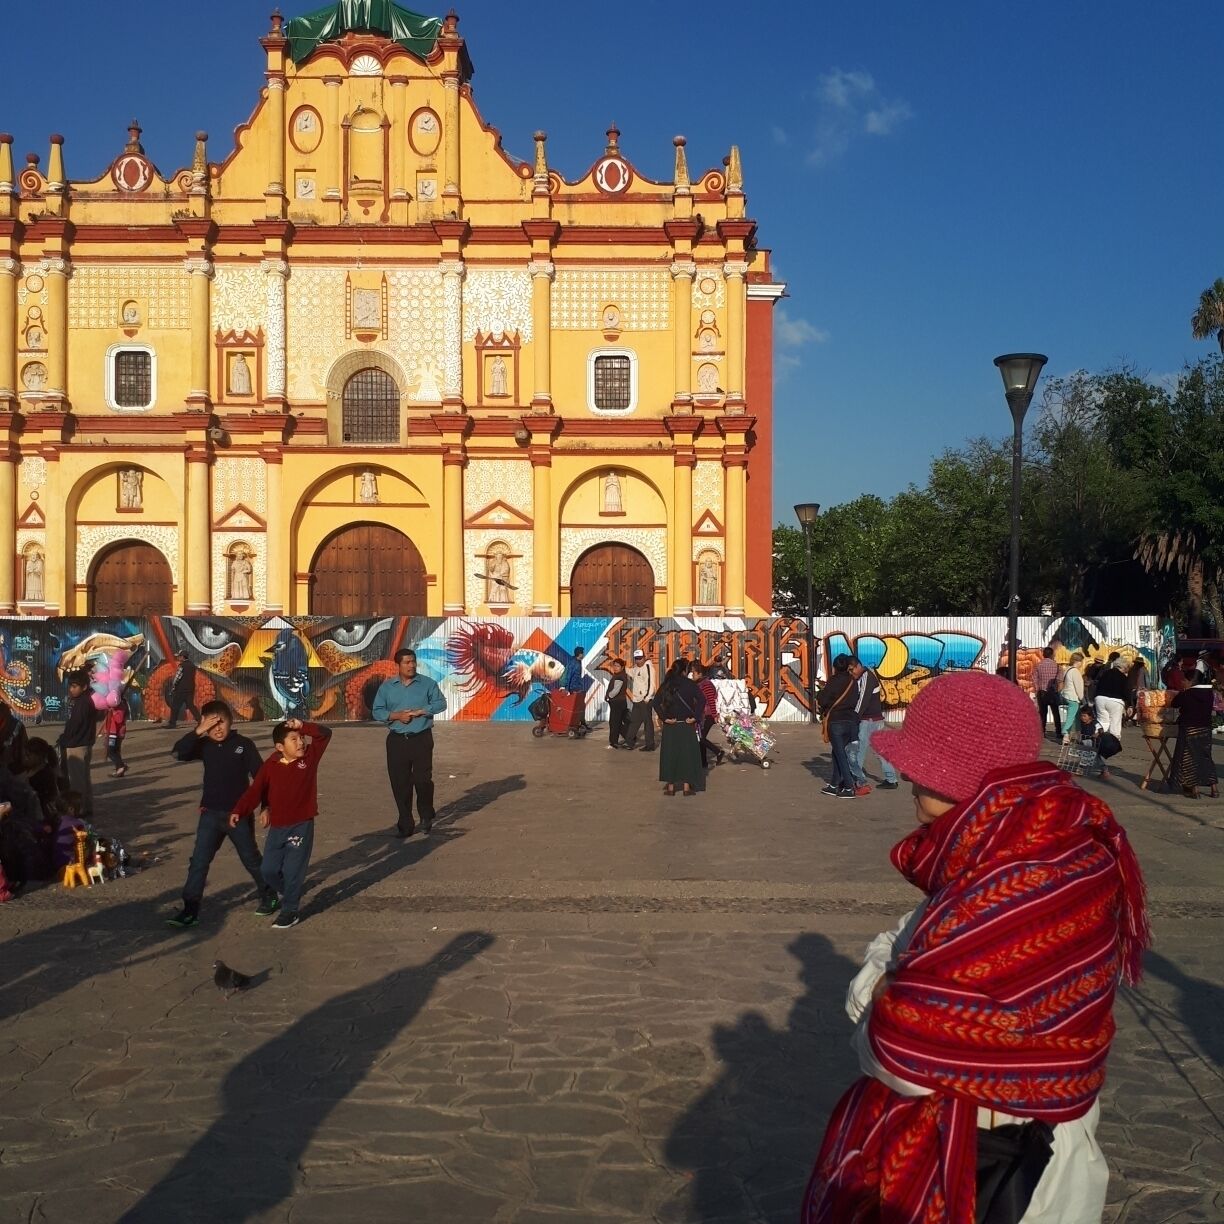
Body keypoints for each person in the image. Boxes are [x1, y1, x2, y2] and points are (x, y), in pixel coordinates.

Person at [803, 670, 1150, 1224]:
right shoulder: (1022, 846)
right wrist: (896, 974)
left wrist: (881, 986)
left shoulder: (1022, 878)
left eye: (923, 768)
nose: (911, 781)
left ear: (964, 776)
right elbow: (910, 954)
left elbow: (898, 1050)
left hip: (996, 1168)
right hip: (1014, 1141)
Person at [166, 700, 274, 929]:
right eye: (211, 723)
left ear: (230, 720)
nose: (217, 728)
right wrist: (197, 732)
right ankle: (190, 909)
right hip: (210, 816)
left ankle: (269, 895)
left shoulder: (243, 745)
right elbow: (177, 753)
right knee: (199, 862)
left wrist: (266, 805)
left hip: (238, 816)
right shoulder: (203, 745)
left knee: (251, 859)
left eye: (221, 721)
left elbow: (262, 778)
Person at [228, 717, 333, 930]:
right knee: (268, 870)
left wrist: (301, 725)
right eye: (294, 739)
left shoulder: (310, 758)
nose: (301, 742)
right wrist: (239, 810)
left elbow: (325, 734)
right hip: (277, 827)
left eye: (301, 738)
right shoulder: (271, 765)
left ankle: (290, 910)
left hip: (301, 825)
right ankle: (291, 891)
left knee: (293, 869)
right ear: (279, 747)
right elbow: (255, 791)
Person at [372, 648, 447, 839]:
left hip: (421, 738)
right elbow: (377, 711)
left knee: (422, 780)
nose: (411, 665)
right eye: (407, 662)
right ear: (398, 665)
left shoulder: (427, 684)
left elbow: (441, 704)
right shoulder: (387, 687)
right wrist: (396, 716)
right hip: (397, 741)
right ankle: (405, 823)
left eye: (413, 661)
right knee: (400, 784)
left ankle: (426, 813)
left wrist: (422, 711)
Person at [653, 659, 705, 796]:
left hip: (671, 725)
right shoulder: (690, 684)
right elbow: (702, 700)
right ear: (684, 671)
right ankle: (686, 788)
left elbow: (656, 702)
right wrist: (695, 716)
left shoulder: (667, 684)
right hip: (686, 724)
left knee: (670, 755)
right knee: (686, 756)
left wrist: (664, 718)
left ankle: (671, 788)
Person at [816, 655, 864, 798]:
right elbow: (856, 699)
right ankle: (833, 784)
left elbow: (823, 700)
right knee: (837, 753)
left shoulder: (833, 681)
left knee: (840, 754)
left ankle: (849, 787)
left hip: (836, 721)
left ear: (835, 667)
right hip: (850, 721)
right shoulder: (852, 681)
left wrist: (821, 695)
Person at [849, 658, 898, 790]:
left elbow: (862, 700)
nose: (851, 673)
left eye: (852, 669)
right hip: (874, 719)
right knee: (879, 750)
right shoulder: (863, 676)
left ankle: (856, 779)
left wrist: (854, 717)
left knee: (859, 750)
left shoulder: (866, 677)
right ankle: (891, 779)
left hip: (869, 720)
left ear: (858, 666)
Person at [1170, 673, 1218, 799]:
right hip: (1205, 729)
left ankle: (1194, 789)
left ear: (1191, 681)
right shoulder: (1209, 694)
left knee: (1189, 759)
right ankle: (1214, 789)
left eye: (1183, 680)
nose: (1182, 682)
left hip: (1189, 729)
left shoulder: (1186, 694)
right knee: (1205, 757)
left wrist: (1182, 692)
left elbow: (1174, 703)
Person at [59, 670, 97, 819]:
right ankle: (86, 807)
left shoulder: (82, 703)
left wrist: (64, 738)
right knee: (84, 780)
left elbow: (74, 725)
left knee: (77, 782)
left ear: (84, 687)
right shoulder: (86, 700)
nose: (71, 689)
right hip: (84, 744)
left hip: (77, 746)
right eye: (70, 686)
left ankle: (79, 810)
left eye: (75, 686)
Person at [623, 648, 658, 751]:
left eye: (640, 658)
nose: (638, 660)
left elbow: (651, 683)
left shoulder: (648, 667)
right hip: (637, 699)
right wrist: (622, 667)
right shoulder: (636, 668)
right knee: (634, 721)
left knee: (647, 723)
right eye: (636, 658)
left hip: (644, 700)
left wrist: (647, 697)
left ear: (644, 657)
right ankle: (629, 742)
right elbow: (631, 672)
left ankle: (650, 745)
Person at [692, 661, 724, 768]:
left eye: (694, 673)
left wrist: (714, 715)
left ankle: (718, 752)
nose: (692, 675)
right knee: (701, 739)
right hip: (702, 715)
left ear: (700, 674)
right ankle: (703, 762)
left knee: (701, 739)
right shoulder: (699, 684)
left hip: (708, 715)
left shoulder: (706, 685)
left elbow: (711, 701)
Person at [1093, 652, 1129, 742]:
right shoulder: (1123, 677)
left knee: (1103, 721)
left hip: (1100, 698)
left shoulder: (1105, 673)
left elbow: (1097, 684)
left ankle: (1097, 735)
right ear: (1124, 667)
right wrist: (1127, 703)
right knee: (1115, 722)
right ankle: (1114, 742)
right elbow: (1125, 691)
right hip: (1115, 701)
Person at [1032, 645, 1064, 741]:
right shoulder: (1057, 666)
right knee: (1056, 713)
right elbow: (1060, 680)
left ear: (1043, 654)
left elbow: (1034, 678)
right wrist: (1057, 690)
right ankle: (1058, 732)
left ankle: (1042, 732)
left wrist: (1038, 689)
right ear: (1052, 655)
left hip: (1042, 692)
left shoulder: (1038, 665)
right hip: (1053, 692)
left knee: (1043, 713)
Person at [166, 650, 200, 729]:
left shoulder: (182, 666)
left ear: (182, 657)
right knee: (191, 705)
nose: (178, 658)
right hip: (190, 688)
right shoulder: (192, 665)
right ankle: (200, 720)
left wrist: (173, 686)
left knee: (175, 706)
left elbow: (177, 678)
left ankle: (172, 723)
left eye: (179, 656)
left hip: (181, 689)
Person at [604, 658, 631, 750]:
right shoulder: (619, 675)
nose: (615, 668)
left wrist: (609, 696)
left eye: (617, 666)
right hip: (621, 702)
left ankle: (613, 742)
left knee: (614, 722)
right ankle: (630, 737)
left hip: (617, 702)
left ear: (622, 667)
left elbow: (616, 690)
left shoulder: (619, 677)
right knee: (619, 723)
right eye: (614, 665)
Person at [1060, 650, 1086, 745]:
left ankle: (1078, 736)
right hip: (1073, 697)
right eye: (1081, 661)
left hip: (1066, 695)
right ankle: (1066, 734)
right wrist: (1082, 698)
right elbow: (1078, 687)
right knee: (1071, 717)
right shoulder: (1075, 672)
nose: (1081, 664)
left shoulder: (1067, 669)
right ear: (1078, 661)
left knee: (1076, 717)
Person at [103, 693, 130, 778]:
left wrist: (113, 712)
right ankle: (119, 769)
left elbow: (119, 719)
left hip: (115, 733)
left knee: (110, 751)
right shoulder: (114, 705)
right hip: (113, 732)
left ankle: (121, 766)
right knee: (116, 751)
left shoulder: (121, 705)